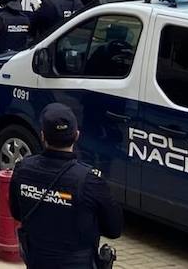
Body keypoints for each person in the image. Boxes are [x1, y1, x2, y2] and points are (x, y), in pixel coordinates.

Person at [9, 103, 122, 269]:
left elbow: (16, 212)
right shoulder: (89, 180)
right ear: (77, 135)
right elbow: (114, 229)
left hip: (37, 260)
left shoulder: (22, 168)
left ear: (42, 136)